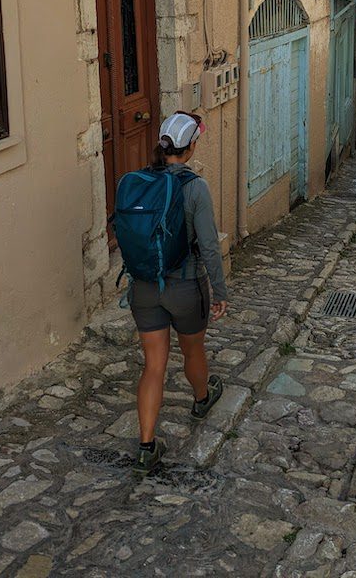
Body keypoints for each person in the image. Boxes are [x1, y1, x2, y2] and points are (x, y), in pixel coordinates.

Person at [128, 111, 228, 477]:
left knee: (153, 365)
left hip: (144, 287)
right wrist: (219, 290)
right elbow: (209, 245)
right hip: (185, 286)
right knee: (192, 349)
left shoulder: (139, 182)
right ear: (191, 147)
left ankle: (146, 447)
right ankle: (202, 399)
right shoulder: (194, 187)